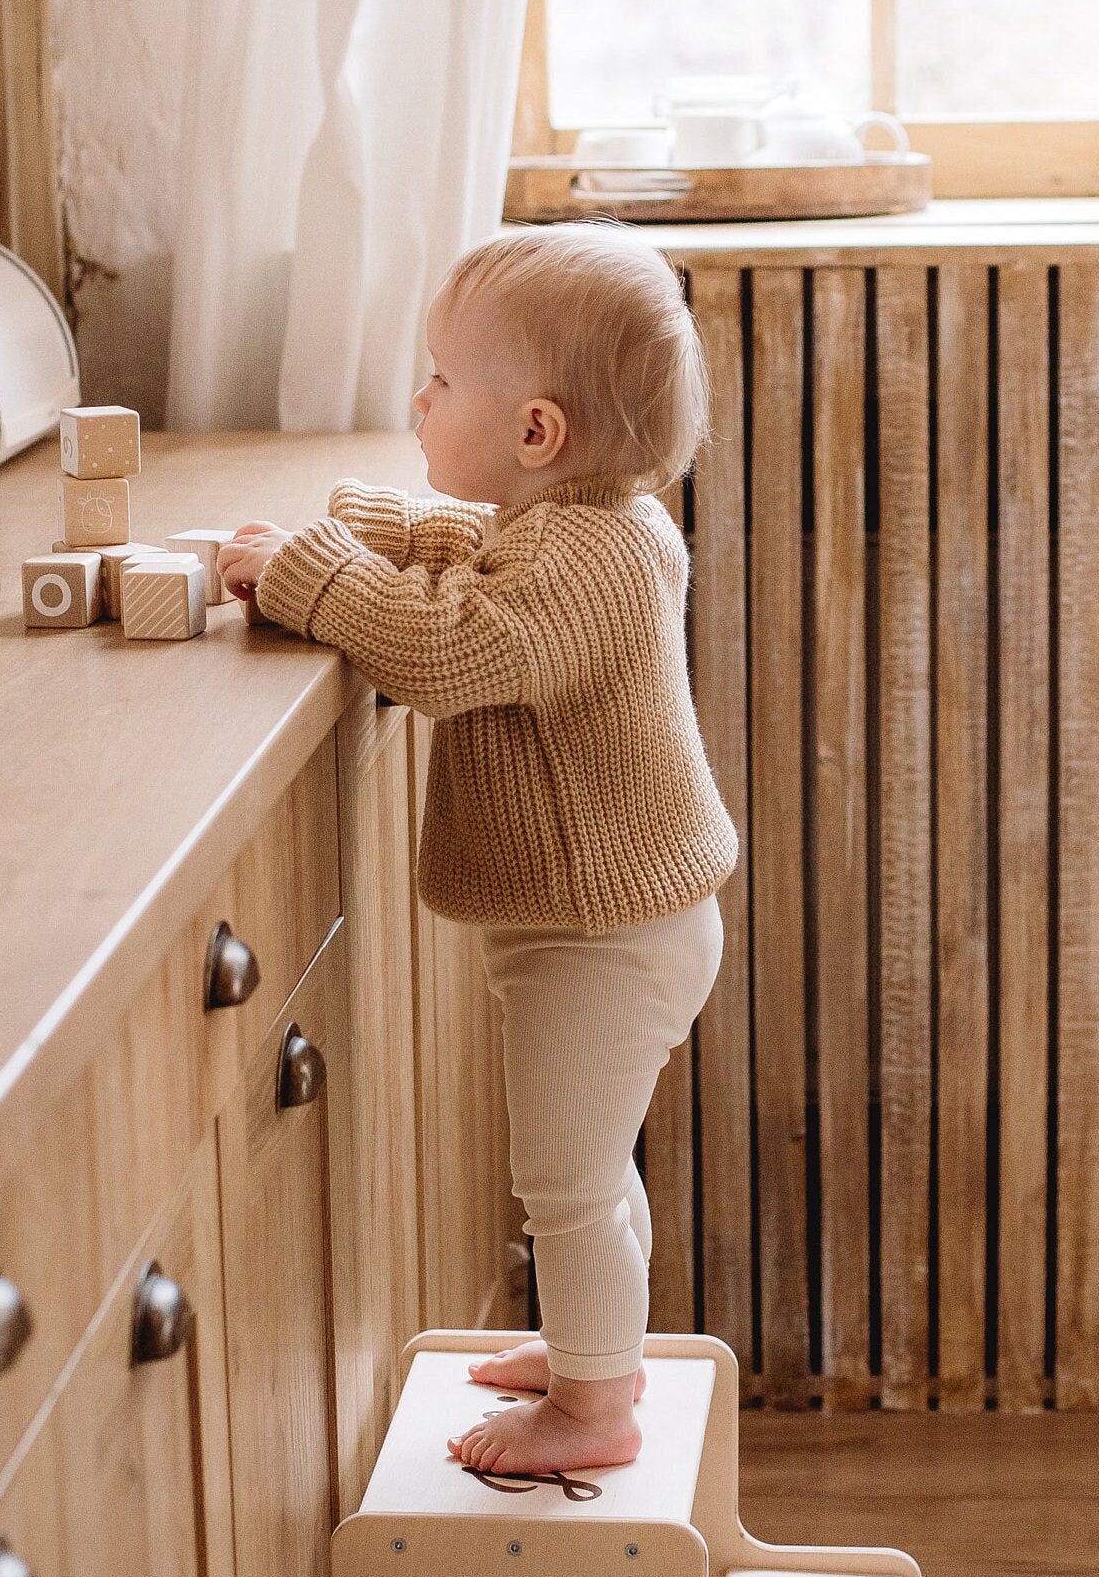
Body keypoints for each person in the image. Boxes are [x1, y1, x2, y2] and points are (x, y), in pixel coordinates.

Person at [218, 224, 735, 1477]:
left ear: (535, 435)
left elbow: (452, 648)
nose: (417, 396)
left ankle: (593, 1410)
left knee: (564, 1181)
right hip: (603, 921)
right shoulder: (590, 523)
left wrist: (315, 573)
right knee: (586, 1171)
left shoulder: (592, 561)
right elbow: (478, 554)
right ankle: (587, 1355)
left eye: (442, 379)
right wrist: (374, 525)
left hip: (603, 939)